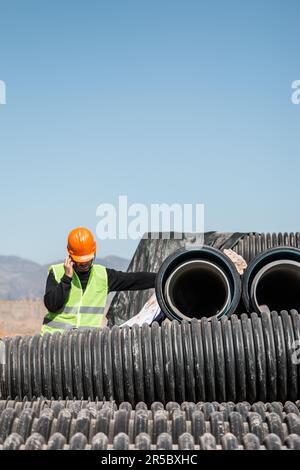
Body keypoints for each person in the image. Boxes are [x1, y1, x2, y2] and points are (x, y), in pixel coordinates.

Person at [42, 227, 157, 334]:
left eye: (88, 260)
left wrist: (162, 277)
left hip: (85, 343)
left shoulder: (103, 276)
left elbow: (134, 280)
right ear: (70, 255)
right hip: (55, 342)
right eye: (81, 262)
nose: (85, 264)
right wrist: (66, 279)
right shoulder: (57, 273)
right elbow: (52, 305)